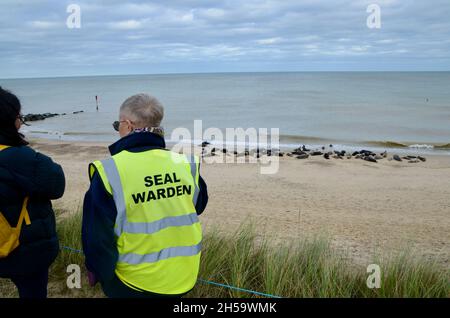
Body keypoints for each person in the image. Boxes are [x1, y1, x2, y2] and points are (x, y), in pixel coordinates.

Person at [82, 93, 208, 298]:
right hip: (183, 275)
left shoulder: (110, 170)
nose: (118, 130)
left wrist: (104, 277)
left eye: (117, 125)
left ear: (128, 125)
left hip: (133, 282)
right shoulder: (185, 163)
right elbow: (198, 205)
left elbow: (96, 238)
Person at [0, 87, 65, 298]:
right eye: (19, 116)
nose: (21, 121)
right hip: (23, 250)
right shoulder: (19, 158)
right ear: (9, 120)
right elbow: (57, 184)